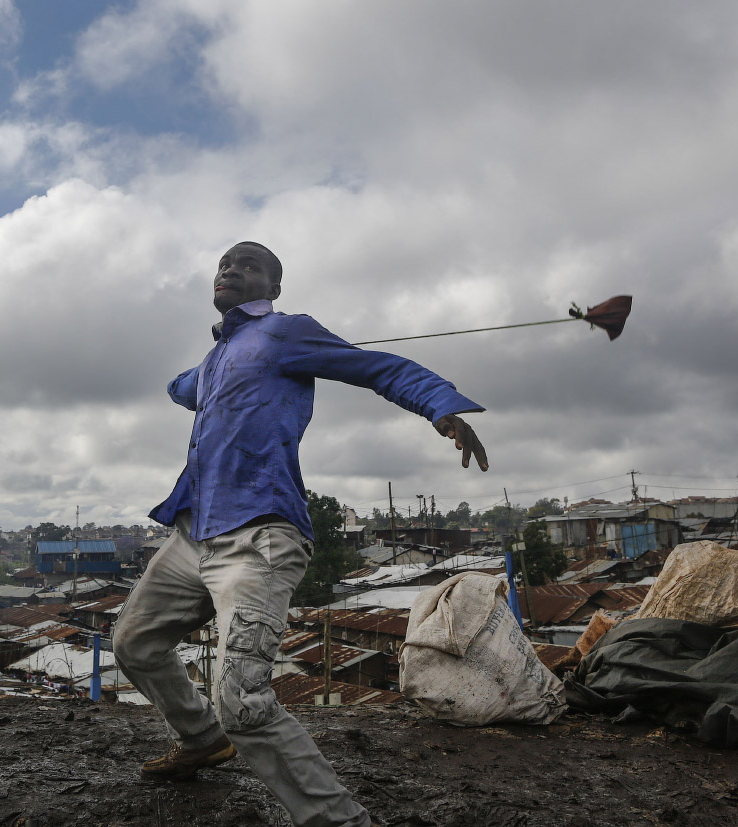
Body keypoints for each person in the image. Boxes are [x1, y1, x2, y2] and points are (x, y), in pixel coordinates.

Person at [112, 241, 487, 827]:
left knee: (245, 702)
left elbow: (380, 367)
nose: (231, 270)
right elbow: (184, 388)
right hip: (194, 534)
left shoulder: (288, 332)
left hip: (257, 537)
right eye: (224, 264)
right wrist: (186, 378)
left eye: (249, 265)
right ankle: (202, 738)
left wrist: (440, 405)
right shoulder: (221, 354)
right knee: (134, 643)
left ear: (274, 287)